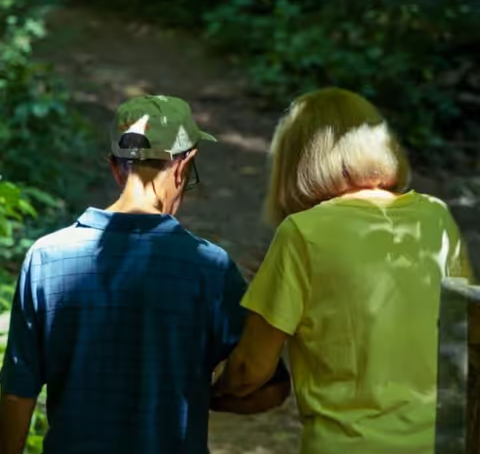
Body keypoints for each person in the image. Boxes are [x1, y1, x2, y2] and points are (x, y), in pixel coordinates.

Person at [0, 95, 290, 454]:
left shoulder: (46, 258)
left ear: (115, 167)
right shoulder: (209, 269)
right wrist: (206, 396)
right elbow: (269, 387)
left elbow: (17, 393)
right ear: (184, 166)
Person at [215, 88, 474, 454]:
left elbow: (249, 372)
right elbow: (466, 327)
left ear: (296, 160)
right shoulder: (435, 217)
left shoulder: (303, 233)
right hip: (439, 443)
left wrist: (211, 391)